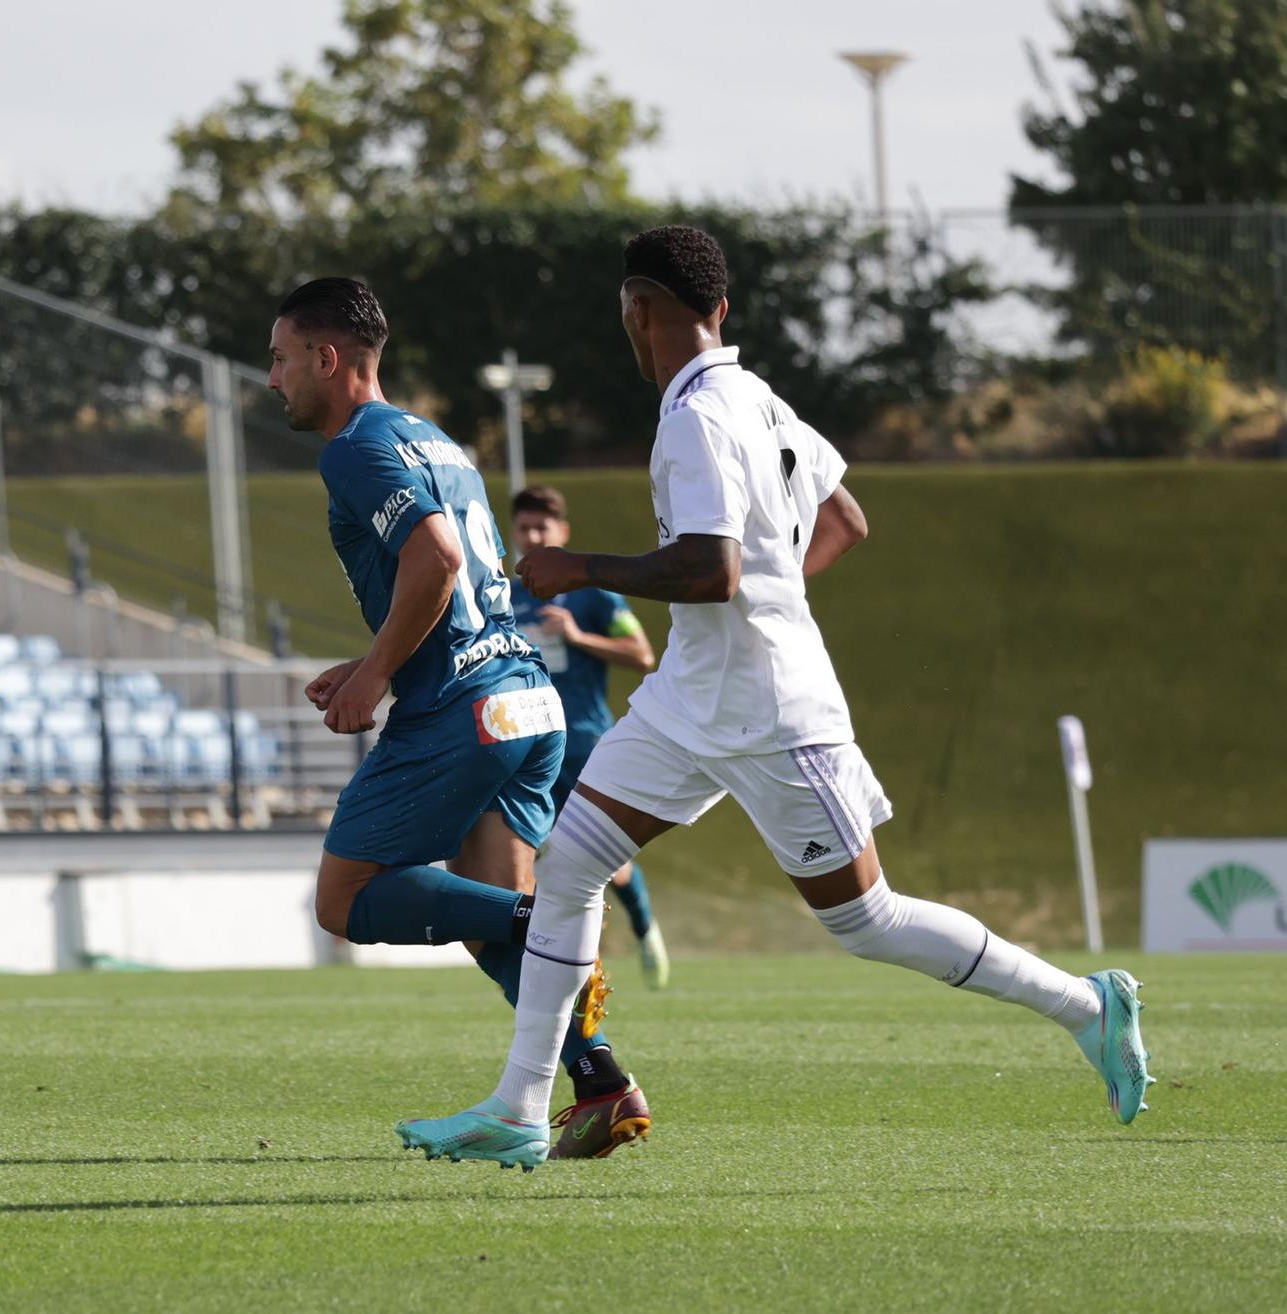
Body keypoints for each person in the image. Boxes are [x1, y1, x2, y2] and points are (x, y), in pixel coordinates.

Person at [399, 226, 1151, 1170]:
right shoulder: (754, 395)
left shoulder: (696, 416)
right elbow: (845, 518)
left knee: (864, 920)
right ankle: (522, 1101)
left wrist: (577, 566)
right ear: (720, 309)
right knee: (570, 864)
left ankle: (1088, 1005)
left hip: (768, 710)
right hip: (690, 697)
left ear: (637, 310)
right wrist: (774, 603)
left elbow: (714, 571)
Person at [271, 277, 650, 1158]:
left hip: (463, 710)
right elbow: (462, 580)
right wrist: (373, 662)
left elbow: (438, 561)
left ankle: (548, 925)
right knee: (481, 917)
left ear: (329, 360)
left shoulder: (353, 447)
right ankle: (599, 1084)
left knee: (346, 899)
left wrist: (375, 678)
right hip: (524, 697)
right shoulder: (440, 442)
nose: (274, 378)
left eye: (283, 359)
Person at [508, 485, 669, 991]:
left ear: (563, 533)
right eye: (525, 528)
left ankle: (643, 929)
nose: (533, 536)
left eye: (543, 528)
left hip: (584, 742)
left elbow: (641, 653)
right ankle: (568, 970)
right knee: (539, 860)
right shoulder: (502, 592)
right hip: (525, 745)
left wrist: (578, 637)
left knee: (600, 860)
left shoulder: (592, 592)